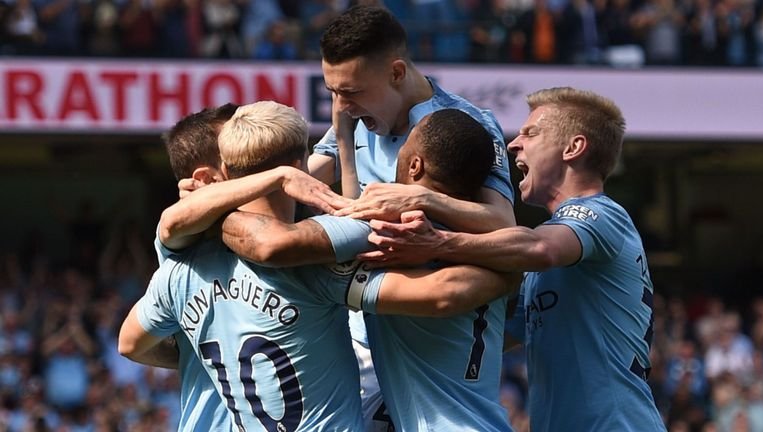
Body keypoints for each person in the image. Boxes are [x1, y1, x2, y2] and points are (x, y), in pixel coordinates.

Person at [118, 101, 514, 431]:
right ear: (299, 165)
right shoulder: (316, 266)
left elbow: (130, 343)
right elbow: (443, 293)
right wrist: (512, 268)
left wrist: (196, 350)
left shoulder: (176, 269)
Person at [354, 87, 667, 431]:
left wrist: (437, 240)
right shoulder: (548, 261)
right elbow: (489, 335)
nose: (515, 143)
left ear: (574, 148)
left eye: (531, 133)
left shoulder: (602, 214)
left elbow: (538, 249)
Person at [305, 6, 518, 428]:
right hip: (363, 332)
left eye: (351, 91)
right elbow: (306, 178)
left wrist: (419, 200)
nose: (342, 106)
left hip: (431, 334)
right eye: (334, 92)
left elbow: (502, 225)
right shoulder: (353, 120)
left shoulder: (461, 124)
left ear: (397, 73)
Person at [132, 103, 239, 432]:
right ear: (206, 178)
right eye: (240, 145)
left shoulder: (286, 232)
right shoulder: (184, 244)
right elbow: (131, 344)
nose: (257, 149)